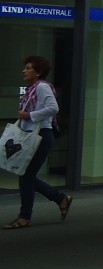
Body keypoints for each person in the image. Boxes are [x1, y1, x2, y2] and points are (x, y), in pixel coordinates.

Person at [5, 55, 71, 229]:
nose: (24, 71)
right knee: (26, 175)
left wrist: (30, 116)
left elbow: (53, 108)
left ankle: (25, 216)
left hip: (41, 136)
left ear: (38, 72)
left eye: (28, 68)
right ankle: (60, 199)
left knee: (26, 176)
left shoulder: (41, 87)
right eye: (25, 67)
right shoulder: (32, 89)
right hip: (32, 135)